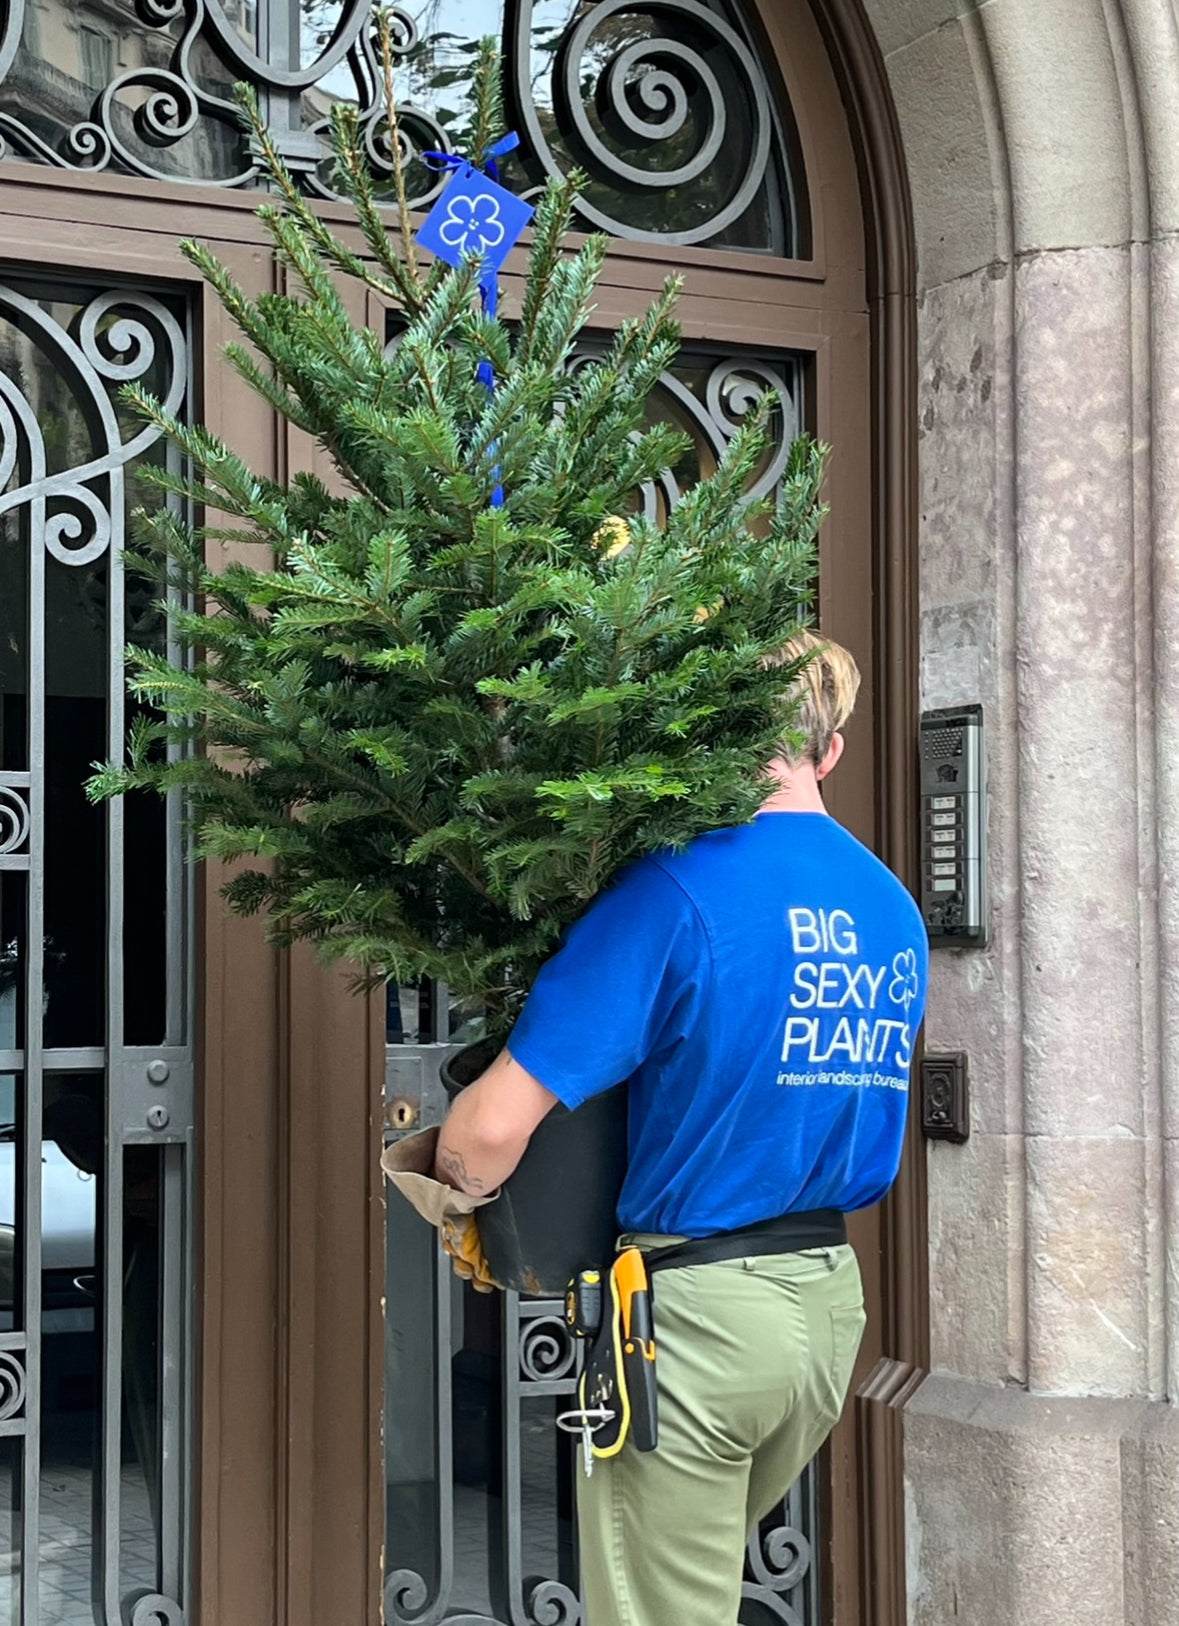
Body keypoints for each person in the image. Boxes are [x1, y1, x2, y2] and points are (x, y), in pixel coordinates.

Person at [390, 631, 929, 1626]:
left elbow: (496, 1126)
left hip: (696, 1321)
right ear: (829, 752)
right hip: (822, 1313)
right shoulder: (891, 907)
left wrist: (454, 1180)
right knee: (694, 1583)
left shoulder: (675, 893)